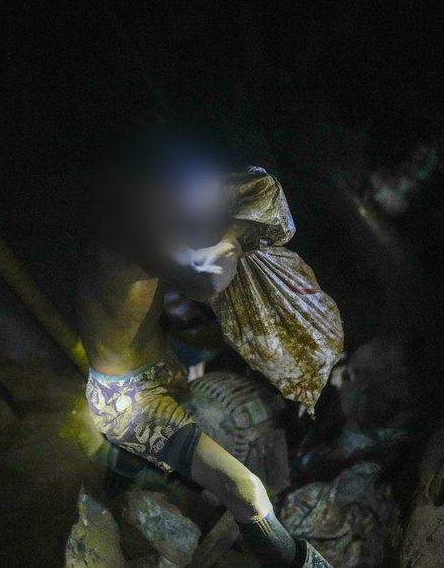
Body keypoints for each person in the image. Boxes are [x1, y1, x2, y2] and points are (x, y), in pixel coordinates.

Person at [78, 127, 330, 568]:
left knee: (180, 456)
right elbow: (206, 277)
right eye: (172, 189)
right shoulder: (133, 227)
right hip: (127, 401)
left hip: (158, 371)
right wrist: (235, 234)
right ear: (147, 185)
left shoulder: (146, 216)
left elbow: (253, 195)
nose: (181, 202)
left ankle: (130, 488)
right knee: (245, 492)